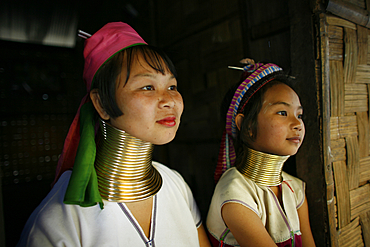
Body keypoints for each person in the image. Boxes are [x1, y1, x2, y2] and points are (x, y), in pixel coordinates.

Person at [17, 22, 210, 247]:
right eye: (148, 87)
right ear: (101, 104)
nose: (169, 101)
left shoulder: (175, 184)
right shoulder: (59, 220)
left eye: (172, 87)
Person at [206, 59, 316, 247]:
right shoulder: (234, 193)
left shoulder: (294, 188)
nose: (297, 124)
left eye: (299, 115)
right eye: (282, 112)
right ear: (247, 125)